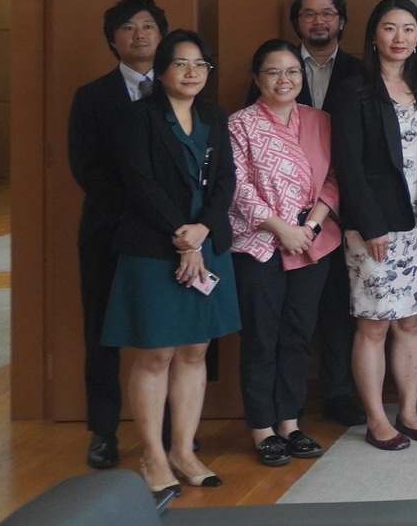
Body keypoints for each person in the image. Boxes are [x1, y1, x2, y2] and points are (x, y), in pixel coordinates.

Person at [102, 30, 240, 498]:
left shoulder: (214, 115)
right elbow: (139, 183)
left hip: (208, 240)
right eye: (181, 63)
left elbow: (226, 179)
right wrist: (184, 239)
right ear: (161, 70)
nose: (191, 72)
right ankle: (152, 455)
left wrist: (203, 230)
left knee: (195, 350)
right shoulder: (137, 117)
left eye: (200, 64)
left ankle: (183, 450)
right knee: (155, 351)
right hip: (153, 246)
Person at [328, 0, 417, 451]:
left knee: (411, 322)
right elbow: (348, 163)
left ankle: (410, 410)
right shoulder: (353, 87)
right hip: (375, 227)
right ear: (374, 35)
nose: (399, 38)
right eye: (389, 28)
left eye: (407, 29)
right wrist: (369, 223)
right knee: (375, 324)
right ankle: (377, 418)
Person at [228, 39, 341, 467]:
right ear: (257, 78)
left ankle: (290, 424)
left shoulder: (320, 120)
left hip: (312, 241)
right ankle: (261, 429)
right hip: (258, 243)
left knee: (297, 334)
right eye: (273, 72)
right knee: (261, 336)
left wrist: (308, 227)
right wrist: (280, 229)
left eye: (292, 71)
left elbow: (333, 179)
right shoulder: (238, 124)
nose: (284, 80)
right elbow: (237, 186)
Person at [67, 0, 166, 470]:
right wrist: (146, 209)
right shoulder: (91, 96)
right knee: (102, 334)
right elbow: (86, 169)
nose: (139, 35)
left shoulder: (183, 88)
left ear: (161, 36)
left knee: (166, 334)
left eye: (148, 26)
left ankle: (168, 430)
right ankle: (103, 431)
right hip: (108, 230)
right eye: (127, 28)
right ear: (113, 39)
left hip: (171, 238)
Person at [277, 0, 368, 427]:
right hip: (281, 219)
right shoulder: (275, 67)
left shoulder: (359, 71)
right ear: (297, 22)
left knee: (339, 308)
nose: (319, 21)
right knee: (292, 314)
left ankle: (337, 393)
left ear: (341, 22)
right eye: (309, 14)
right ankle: (286, 404)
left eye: (328, 13)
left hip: (342, 210)